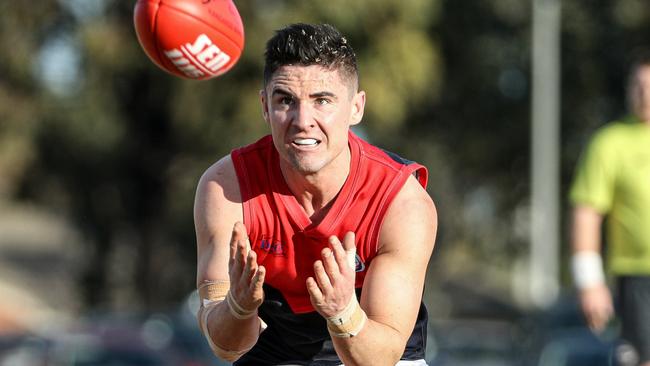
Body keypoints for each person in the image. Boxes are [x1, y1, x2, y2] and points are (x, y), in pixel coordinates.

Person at [193, 23, 437, 366]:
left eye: (322, 100)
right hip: (273, 349)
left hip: (373, 343)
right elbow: (226, 346)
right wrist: (239, 306)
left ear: (356, 108)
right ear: (265, 106)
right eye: (285, 101)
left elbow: (380, 356)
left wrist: (343, 312)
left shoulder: (400, 202)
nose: (302, 120)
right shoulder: (226, 187)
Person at [569, 51, 650, 366]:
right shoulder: (609, 143)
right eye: (638, 85)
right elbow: (586, 213)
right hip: (638, 278)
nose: (645, 93)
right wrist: (589, 281)